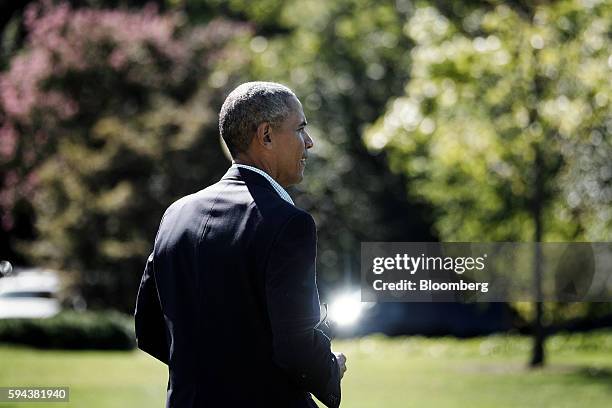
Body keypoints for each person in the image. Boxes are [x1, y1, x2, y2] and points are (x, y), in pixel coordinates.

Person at [134, 81, 346, 408]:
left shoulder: (176, 214)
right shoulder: (288, 223)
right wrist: (330, 368)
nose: (310, 142)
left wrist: (209, 373)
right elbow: (295, 346)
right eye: (301, 128)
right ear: (266, 136)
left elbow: (148, 329)